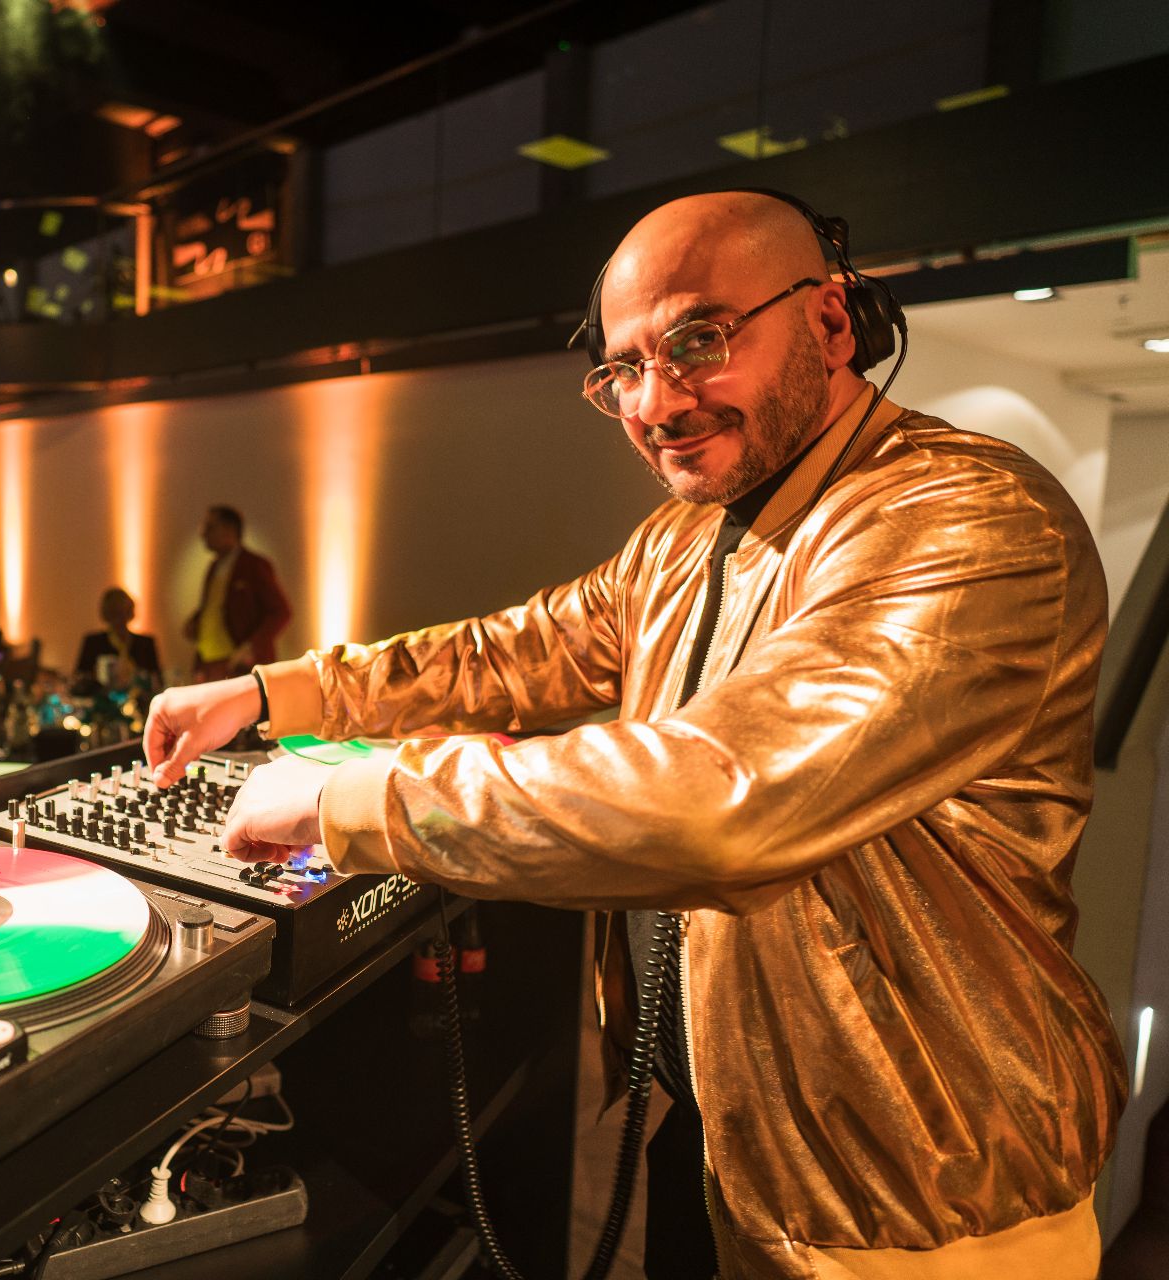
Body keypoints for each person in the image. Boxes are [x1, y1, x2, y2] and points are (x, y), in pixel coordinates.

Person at [142, 192, 1123, 1277]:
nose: (658, 402)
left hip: (920, 1196)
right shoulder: (683, 536)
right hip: (726, 1128)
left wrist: (353, 800)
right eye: (624, 369)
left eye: (701, 341)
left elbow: (725, 796)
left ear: (832, 322)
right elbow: (516, 651)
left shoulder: (969, 520)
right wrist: (272, 693)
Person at [183, 505, 290, 680]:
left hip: (239, 664)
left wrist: (251, 646)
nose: (203, 534)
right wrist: (196, 622)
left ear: (229, 530)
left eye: (210, 527)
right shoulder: (214, 567)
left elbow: (281, 612)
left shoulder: (253, 565)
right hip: (211, 661)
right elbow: (216, 606)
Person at [74, 587, 162, 692]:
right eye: (115, 613)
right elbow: (81, 678)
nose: (120, 618)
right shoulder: (93, 643)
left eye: (124, 612)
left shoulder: (145, 643)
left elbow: (157, 679)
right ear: (107, 614)